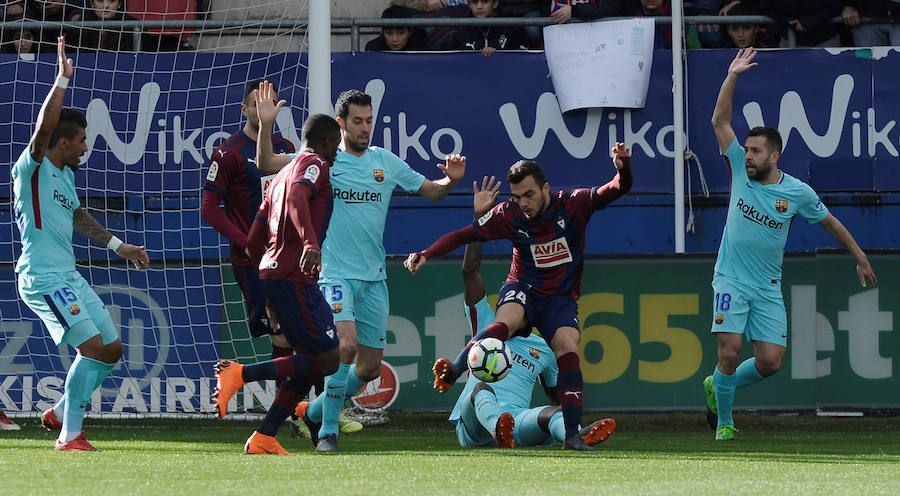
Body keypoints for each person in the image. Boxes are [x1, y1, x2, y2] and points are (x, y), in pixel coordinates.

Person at [260, 89, 466, 452]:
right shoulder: (321, 160)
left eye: (369, 121)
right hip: (334, 273)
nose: (365, 128)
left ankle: (315, 410)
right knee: (346, 346)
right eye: (357, 121)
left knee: (369, 368)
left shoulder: (384, 162)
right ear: (340, 124)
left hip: (374, 278)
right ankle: (327, 433)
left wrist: (452, 180)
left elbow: (433, 191)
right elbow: (266, 162)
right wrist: (265, 126)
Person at [404, 143, 633, 451]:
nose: (523, 203)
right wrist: (426, 253)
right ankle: (458, 367)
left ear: (546, 188)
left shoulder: (573, 204)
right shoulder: (508, 215)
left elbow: (618, 188)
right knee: (507, 321)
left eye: (529, 195)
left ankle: (572, 435)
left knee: (567, 344)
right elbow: (463, 236)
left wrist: (623, 168)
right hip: (523, 286)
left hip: (558, 298)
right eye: (517, 196)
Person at [704, 48, 877, 441]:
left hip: (766, 287)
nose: (746, 155)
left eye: (755, 151)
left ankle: (717, 386)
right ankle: (726, 423)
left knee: (770, 362)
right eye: (746, 149)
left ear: (774, 156)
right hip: (730, 278)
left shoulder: (796, 192)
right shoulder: (737, 168)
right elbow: (719, 119)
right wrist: (732, 76)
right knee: (728, 352)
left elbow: (830, 222)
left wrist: (860, 255)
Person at [13, 36, 150, 451]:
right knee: (90, 347)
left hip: (68, 276)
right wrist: (62, 80)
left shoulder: (67, 178)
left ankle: (60, 410)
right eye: (82, 141)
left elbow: (77, 216)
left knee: (111, 349)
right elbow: (42, 130)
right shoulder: (32, 168)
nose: (87, 147)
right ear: (63, 142)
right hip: (41, 277)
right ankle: (70, 433)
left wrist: (117, 245)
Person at [451, 176, 617, 449]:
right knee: (482, 388)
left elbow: (557, 397)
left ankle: (573, 435)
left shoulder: (547, 348)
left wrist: (561, 419)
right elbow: (469, 271)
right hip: (475, 426)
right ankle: (497, 428)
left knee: (552, 414)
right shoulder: (489, 324)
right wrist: (479, 218)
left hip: (516, 424)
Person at [211, 112, 343, 455]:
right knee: (329, 358)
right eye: (335, 147)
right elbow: (300, 197)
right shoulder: (314, 164)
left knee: (306, 361)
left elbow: (254, 235)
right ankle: (239, 374)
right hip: (295, 275)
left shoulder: (280, 173)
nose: (336, 154)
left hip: (273, 273)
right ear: (327, 142)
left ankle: (265, 436)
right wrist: (310, 242)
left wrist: (263, 281)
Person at [201, 79, 296, 366]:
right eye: (257, 104)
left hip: (287, 255)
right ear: (245, 109)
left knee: (299, 331)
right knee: (280, 333)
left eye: (270, 103)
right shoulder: (228, 152)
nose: (263, 109)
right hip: (252, 260)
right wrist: (245, 242)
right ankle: (289, 405)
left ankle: (300, 405)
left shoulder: (286, 148)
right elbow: (209, 208)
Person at [452, 0, 528, 56]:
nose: (479, 6)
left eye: (485, 1)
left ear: (495, 3)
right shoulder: (461, 31)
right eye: (475, 2)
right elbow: (456, 63)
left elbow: (522, 59)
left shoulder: (512, 27)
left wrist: (497, 54)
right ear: (469, 4)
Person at [365, 5, 430, 51]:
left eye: (400, 33)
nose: (394, 39)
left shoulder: (421, 46)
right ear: (383, 33)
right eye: (389, 33)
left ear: (409, 32)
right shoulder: (373, 49)